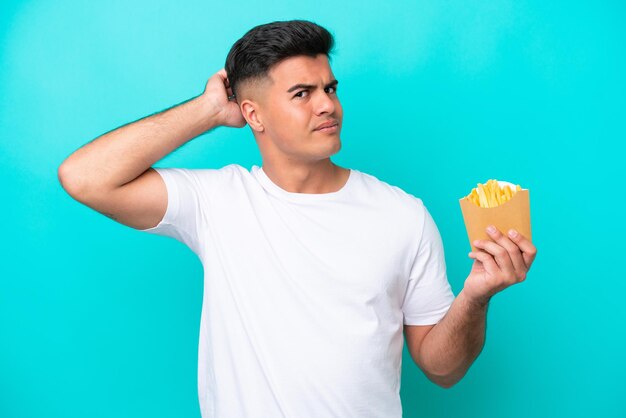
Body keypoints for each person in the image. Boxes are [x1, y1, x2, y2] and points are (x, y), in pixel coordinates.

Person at [58, 19, 537, 418]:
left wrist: (476, 296)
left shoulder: (403, 215)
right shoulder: (217, 202)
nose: (327, 104)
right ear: (253, 114)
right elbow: (84, 177)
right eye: (302, 93)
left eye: (329, 87)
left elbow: (443, 369)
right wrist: (206, 111)